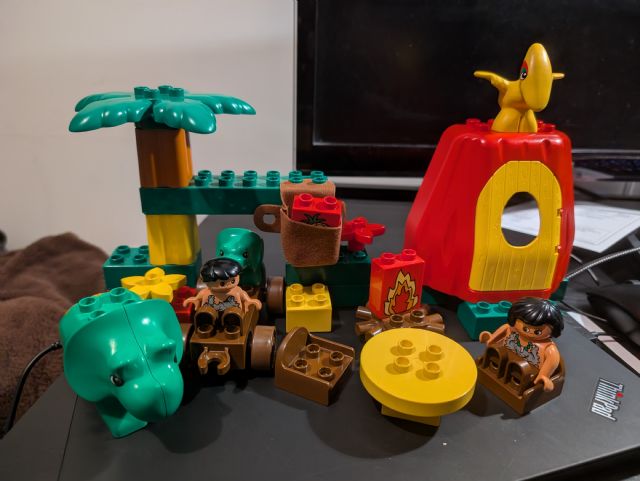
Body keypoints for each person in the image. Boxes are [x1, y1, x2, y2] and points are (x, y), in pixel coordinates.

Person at [479, 297, 564, 392]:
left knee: (522, 370)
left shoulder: (548, 349)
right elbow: (503, 331)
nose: (530, 332)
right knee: (497, 352)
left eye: (537, 331)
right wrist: (491, 339)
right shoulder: (511, 330)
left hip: (526, 375)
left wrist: (543, 376)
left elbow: (552, 360)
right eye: (526, 328)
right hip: (503, 361)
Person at [183, 258, 262, 314]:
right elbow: (200, 296)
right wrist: (196, 299)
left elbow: (243, 294)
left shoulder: (236, 292)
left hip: (233, 315)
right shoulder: (206, 293)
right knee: (206, 314)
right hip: (209, 313)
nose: (228, 284)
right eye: (222, 283)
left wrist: (248, 300)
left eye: (233, 280)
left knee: (233, 314)